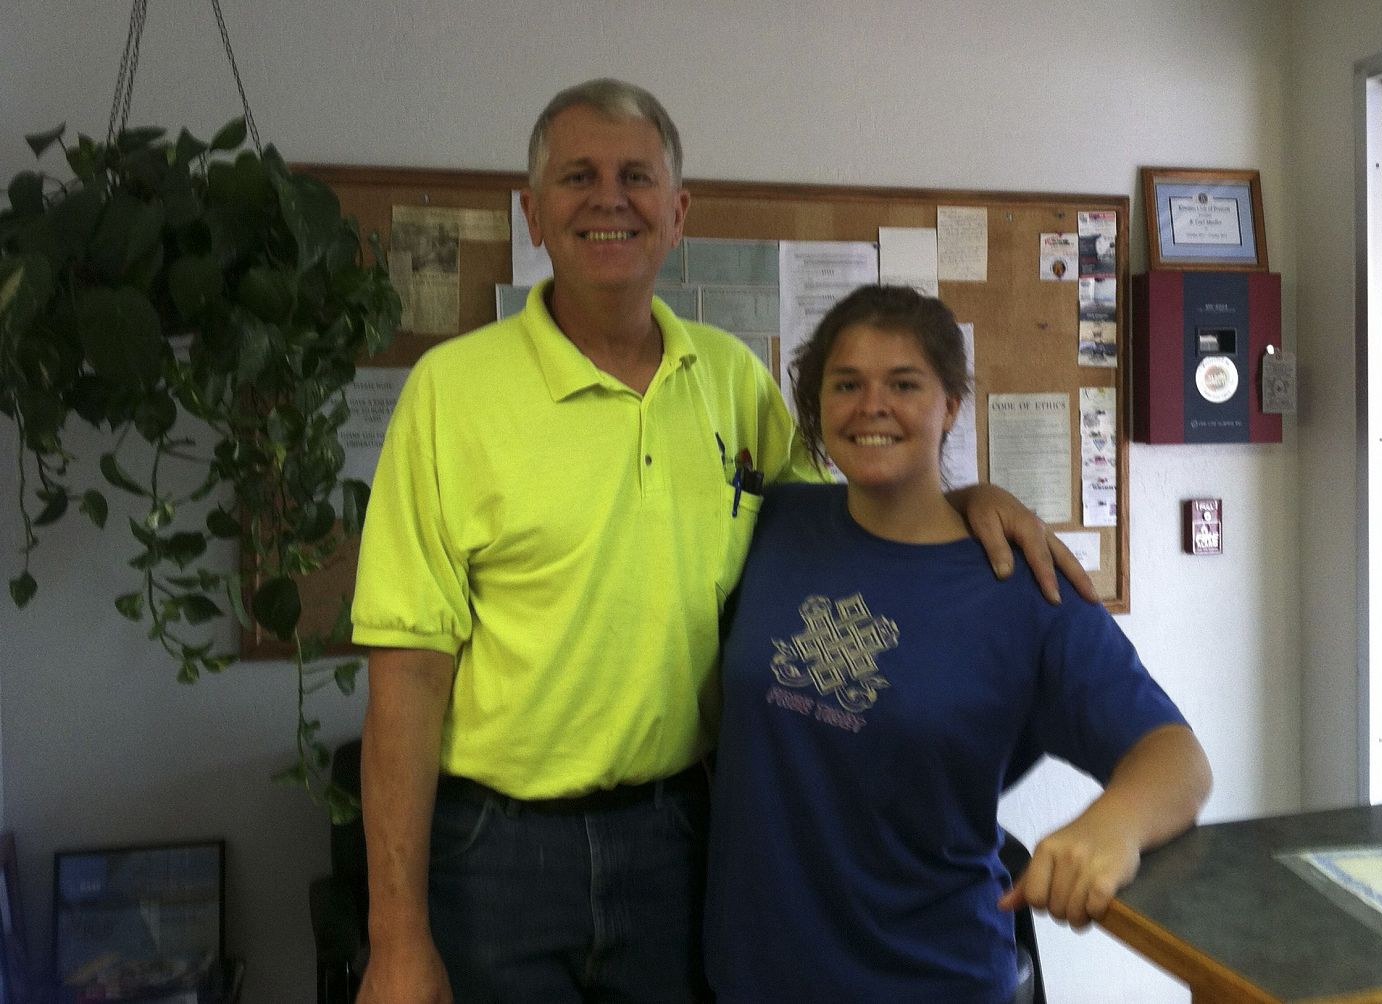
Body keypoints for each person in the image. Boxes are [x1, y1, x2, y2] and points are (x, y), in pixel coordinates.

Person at [349, 79, 1095, 1004]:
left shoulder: (731, 380)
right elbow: (407, 676)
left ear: (677, 211)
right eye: (578, 177)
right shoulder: (449, 393)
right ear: (536, 214)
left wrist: (968, 491)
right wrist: (396, 940)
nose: (608, 198)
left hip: (684, 838)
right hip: (498, 858)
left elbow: (849, 528)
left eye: (636, 176)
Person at [704, 285, 1213, 1003]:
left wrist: (1114, 827)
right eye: (846, 384)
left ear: (950, 405)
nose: (871, 405)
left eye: (904, 384)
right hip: (753, 980)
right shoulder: (774, 523)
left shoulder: (1023, 585)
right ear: (816, 406)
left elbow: (1177, 758)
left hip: (931, 979)